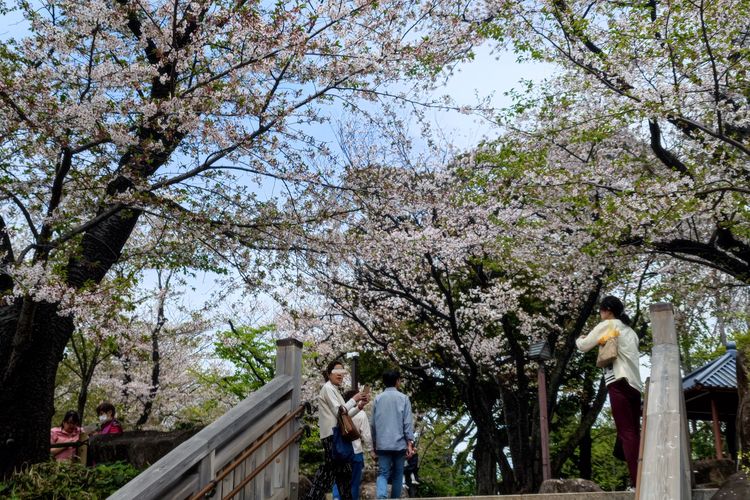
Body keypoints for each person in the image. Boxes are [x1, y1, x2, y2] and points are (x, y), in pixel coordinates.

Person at [576, 295, 642, 485]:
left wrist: (578, 338)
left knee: (626, 433)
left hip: (618, 382)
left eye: (601, 310)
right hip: (635, 386)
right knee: (634, 433)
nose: (600, 313)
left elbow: (584, 346)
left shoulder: (609, 324)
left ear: (607, 310)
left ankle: (637, 481)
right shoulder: (632, 332)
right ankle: (640, 474)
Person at [305, 360, 368, 500]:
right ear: (329, 374)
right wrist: (354, 399)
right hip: (332, 436)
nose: (340, 375)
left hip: (336, 434)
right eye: (336, 372)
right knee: (330, 472)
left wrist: (359, 407)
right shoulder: (328, 388)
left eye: (342, 372)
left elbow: (344, 415)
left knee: (342, 473)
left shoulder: (334, 390)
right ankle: (311, 497)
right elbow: (339, 412)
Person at [370, 369, 415, 499]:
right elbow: (407, 424)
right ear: (397, 381)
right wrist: (410, 444)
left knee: (383, 473)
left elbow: (372, 424)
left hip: (382, 444)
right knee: (397, 474)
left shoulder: (378, 399)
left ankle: (382, 497)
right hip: (399, 444)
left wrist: (374, 444)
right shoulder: (404, 398)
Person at [332, 389, 373, 500]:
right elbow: (366, 435)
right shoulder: (361, 414)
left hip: (340, 450)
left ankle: (336, 498)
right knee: (354, 483)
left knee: (339, 480)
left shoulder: (338, 413)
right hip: (356, 452)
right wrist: (371, 450)